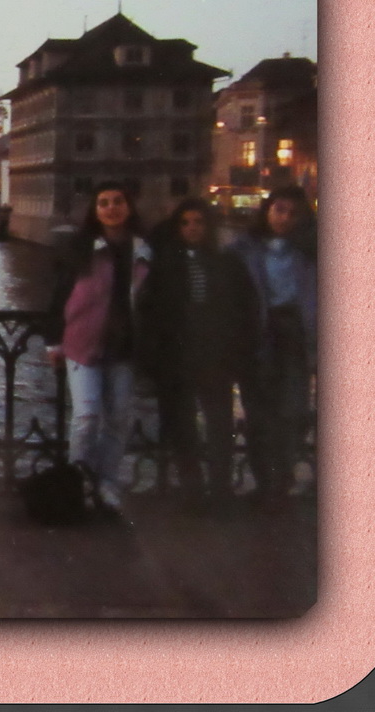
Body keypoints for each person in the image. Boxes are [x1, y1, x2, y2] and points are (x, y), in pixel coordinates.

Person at [140, 198, 259, 514]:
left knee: (219, 423)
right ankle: (191, 489)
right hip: (177, 356)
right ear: (177, 228)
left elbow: (245, 307)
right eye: (186, 223)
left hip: (216, 355)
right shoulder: (166, 265)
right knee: (183, 426)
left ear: (209, 226)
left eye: (199, 222)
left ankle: (221, 490)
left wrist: (237, 347)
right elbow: (150, 312)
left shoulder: (228, 263)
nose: (192, 228)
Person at [45, 181, 152, 516]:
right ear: (95, 210)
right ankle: (77, 483)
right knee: (87, 417)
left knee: (118, 419)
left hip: (125, 345)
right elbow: (59, 295)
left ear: (129, 207)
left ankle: (106, 483)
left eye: (118, 201)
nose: (111, 208)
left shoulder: (144, 249)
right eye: (103, 203)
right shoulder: (81, 248)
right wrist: (53, 341)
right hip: (83, 341)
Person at [227, 186, 317, 506]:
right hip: (258, 336)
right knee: (258, 412)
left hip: (295, 336)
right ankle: (265, 483)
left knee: (293, 411)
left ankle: (282, 479)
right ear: (267, 211)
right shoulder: (243, 250)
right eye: (279, 210)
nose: (285, 218)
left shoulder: (311, 250)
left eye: (293, 213)